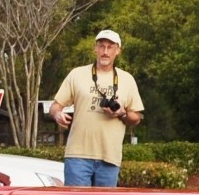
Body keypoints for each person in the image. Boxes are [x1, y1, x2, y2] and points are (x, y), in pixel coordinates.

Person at [51, 29, 143, 187]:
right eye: (101, 46)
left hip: (109, 157)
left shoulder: (127, 79)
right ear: (95, 48)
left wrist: (122, 113)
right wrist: (57, 115)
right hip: (77, 156)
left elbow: (137, 117)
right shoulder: (77, 74)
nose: (105, 52)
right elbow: (55, 106)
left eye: (110, 47)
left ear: (118, 50)